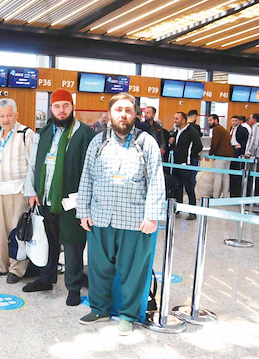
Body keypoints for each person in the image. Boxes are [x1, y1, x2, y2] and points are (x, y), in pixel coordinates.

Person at [77, 92, 165, 336]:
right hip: (101, 217)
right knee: (99, 268)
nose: (123, 114)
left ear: (135, 114)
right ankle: (100, 309)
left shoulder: (145, 142)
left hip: (135, 221)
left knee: (132, 271)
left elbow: (157, 180)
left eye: (128, 110)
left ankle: (128, 315)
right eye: (118, 110)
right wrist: (83, 211)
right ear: (110, 114)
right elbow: (87, 178)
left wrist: (153, 216)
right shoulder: (98, 142)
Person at [23, 88, 96, 306]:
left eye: (65, 106)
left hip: (72, 203)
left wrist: (85, 201)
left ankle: (73, 288)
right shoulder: (44, 133)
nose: (61, 110)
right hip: (45, 199)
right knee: (49, 242)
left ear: (73, 107)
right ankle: (46, 278)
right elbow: (34, 165)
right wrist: (31, 190)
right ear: (51, 109)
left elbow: (90, 171)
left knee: (73, 245)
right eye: (57, 106)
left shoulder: (85, 134)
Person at [0, 98, 35, 284]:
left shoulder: (26, 134)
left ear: (16, 114)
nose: (5, 119)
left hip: (19, 190)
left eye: (9, 115)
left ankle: (17, 269)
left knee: (18, 231)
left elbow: (33, 165)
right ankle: (0, 265)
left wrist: (32, 192)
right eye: (2, 115)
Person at [169, 111, 202, 219]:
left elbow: (198, 146)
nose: (175, 121)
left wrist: (190, 155)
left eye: (177, 119)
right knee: (177, 186)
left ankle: (192, 212)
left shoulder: (191, 131)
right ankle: (177, 208)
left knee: (189, 187)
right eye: (174, 118)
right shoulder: (176, 131)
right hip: (177, 163)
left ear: (183, 120)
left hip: (187, 164)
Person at [206, 114, 233, 198]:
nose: (208, 122)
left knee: (217, 176)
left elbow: (215, 143)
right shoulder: (223, 129)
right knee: (226, 176)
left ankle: (215, 196)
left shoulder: (216, 129)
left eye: (210, 120)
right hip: (228, 155)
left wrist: (210, 154)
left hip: (220, 156)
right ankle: (225, 196)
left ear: (216, 120)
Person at [230, 115, 249, 197]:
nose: (234, 122)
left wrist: (241, 145)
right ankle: (232, 191)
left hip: (238, 151)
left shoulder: (243, 129)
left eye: (235, 121)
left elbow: (247, 140)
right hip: (232, 149)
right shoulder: (231, 129)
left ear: (239, 121)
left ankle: (236, 192)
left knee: (236, 171)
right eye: (232, 121)